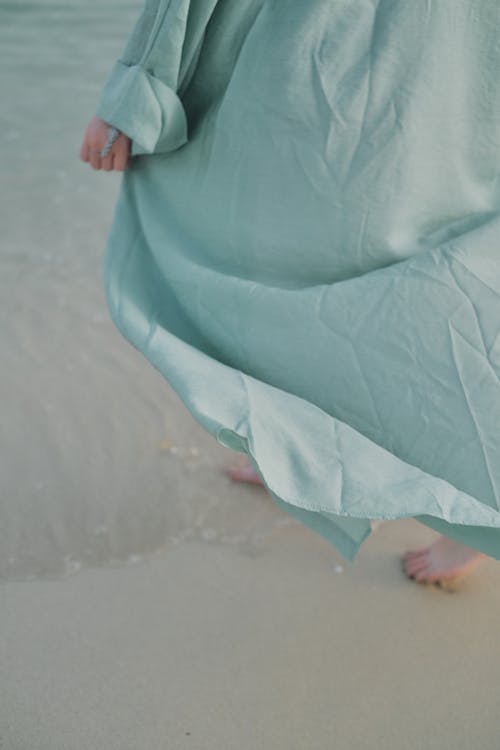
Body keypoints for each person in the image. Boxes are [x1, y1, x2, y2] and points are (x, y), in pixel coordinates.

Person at [80, 0, 500, 586]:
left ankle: (467, 513)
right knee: (384, 270)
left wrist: (139, 84)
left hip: (356, 46)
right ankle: (304, 452)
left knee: (405, 278)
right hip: (449, 50)